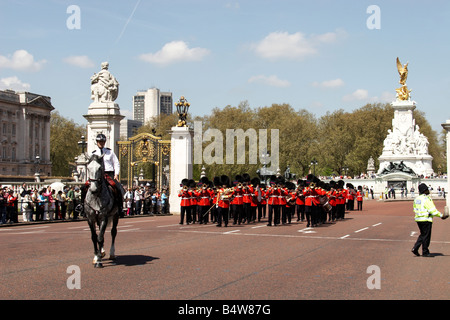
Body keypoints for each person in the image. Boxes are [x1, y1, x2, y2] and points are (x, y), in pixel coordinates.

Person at [84, 133, 125, 217]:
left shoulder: (110, 152)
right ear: (97, 142)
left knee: (117, 187)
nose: (101, 143)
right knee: (84, 187)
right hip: (97, 175)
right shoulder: (93, 153)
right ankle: (82, 207)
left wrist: (116, 174)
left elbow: (116, 163)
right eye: (99, 142)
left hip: (108, 174)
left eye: (102, 142)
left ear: (105, 142)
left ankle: (120, 207)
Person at [411, 183, 449, 257]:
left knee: (423, 235)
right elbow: (432, 210)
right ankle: (425, 252)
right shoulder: (426, 199)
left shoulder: (416, 199)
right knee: (426, 236)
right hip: (426, 219)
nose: (428, 190)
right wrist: (441, 215)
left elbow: (414, 209)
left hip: (418, 219)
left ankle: (415, 248)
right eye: (427, 189)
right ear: (424, 190)